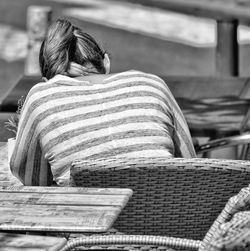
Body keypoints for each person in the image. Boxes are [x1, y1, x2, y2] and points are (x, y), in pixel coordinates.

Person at [10, 18, 196, 186]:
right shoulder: (153, 84)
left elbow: (31, 179)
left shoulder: (42, 96)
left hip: (87, 219)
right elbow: (190, 164)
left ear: (48, 81)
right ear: (106, 62)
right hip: (165, 216)